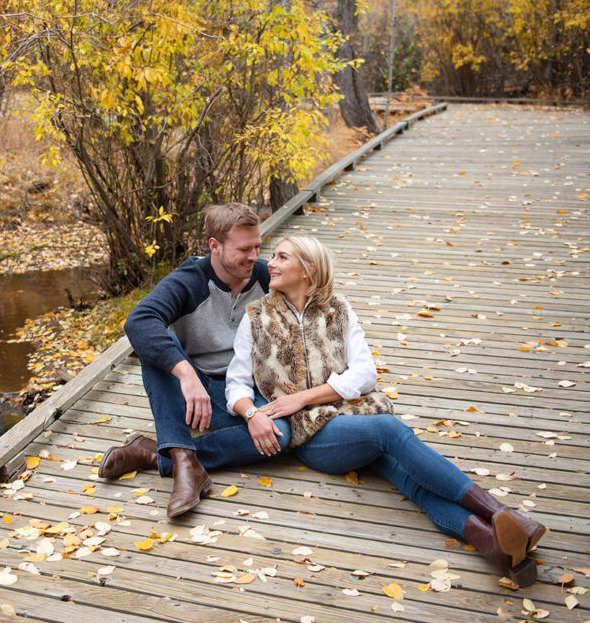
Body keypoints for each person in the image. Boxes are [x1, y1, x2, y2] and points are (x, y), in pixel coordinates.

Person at [224, 234, 547, 586]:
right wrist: (252, 414)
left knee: (409, 478)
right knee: (389, 430)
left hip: (355, 415)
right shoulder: (256, 317)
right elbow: (236, 384)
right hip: (312, 432)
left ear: (308, 269)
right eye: (272, 256)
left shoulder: (338, 309)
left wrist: (303, 396)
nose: (269, 263)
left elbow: (365, 373)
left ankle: (495, 546)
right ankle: (503, 514)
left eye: (281, 257)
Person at [98, 203, 291, 517]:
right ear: (214, 246)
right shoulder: (190, 280)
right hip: (197, 396)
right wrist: (186, 374)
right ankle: (185, 465)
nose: (254, 256)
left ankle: (166, 456)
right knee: (157, 344)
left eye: (257, 246)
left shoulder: (266, 277)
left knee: (279, 436)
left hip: (248, 390)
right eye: (244, 249)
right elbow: (138, 321)